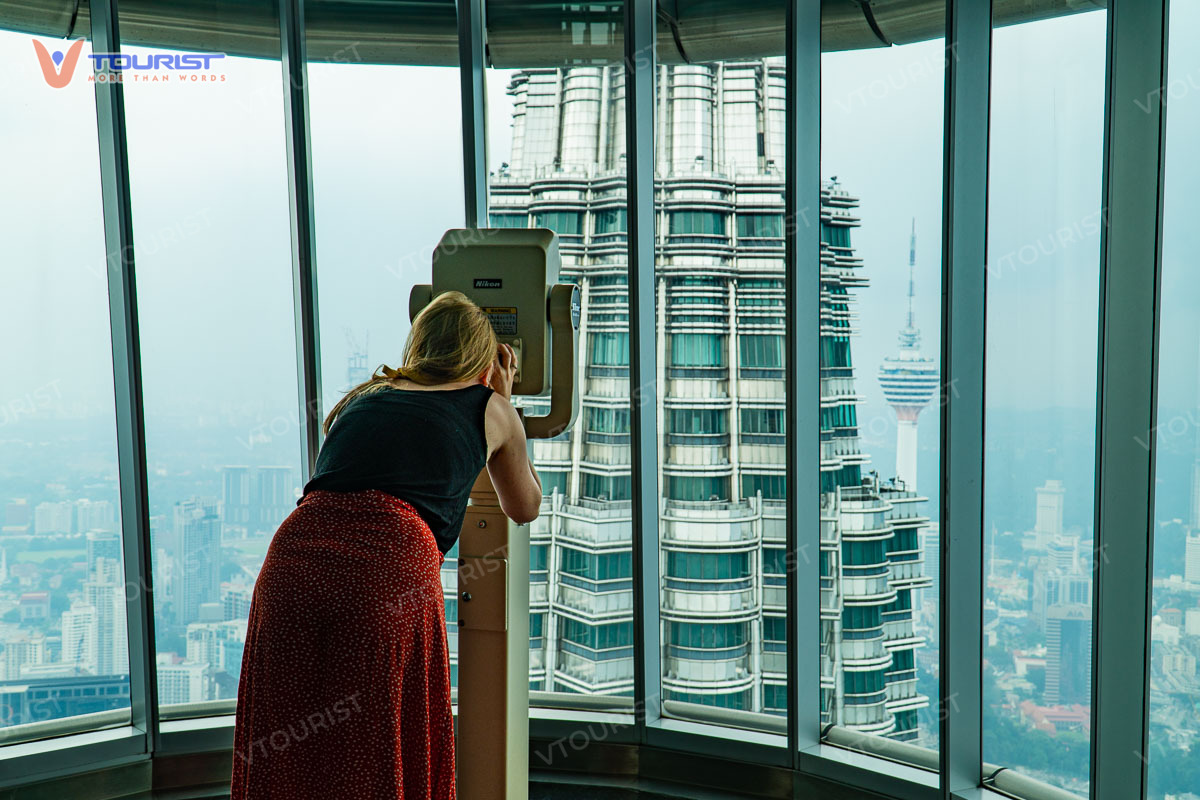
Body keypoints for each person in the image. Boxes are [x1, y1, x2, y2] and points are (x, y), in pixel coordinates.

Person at [230, 291, 541, 800]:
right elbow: (524, 506)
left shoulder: (363, 397)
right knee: (373, 746)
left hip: (292, 561)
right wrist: (505, 403)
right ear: (486, 360)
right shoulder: (492, 407)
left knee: (284, 742)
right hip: (386, 570)